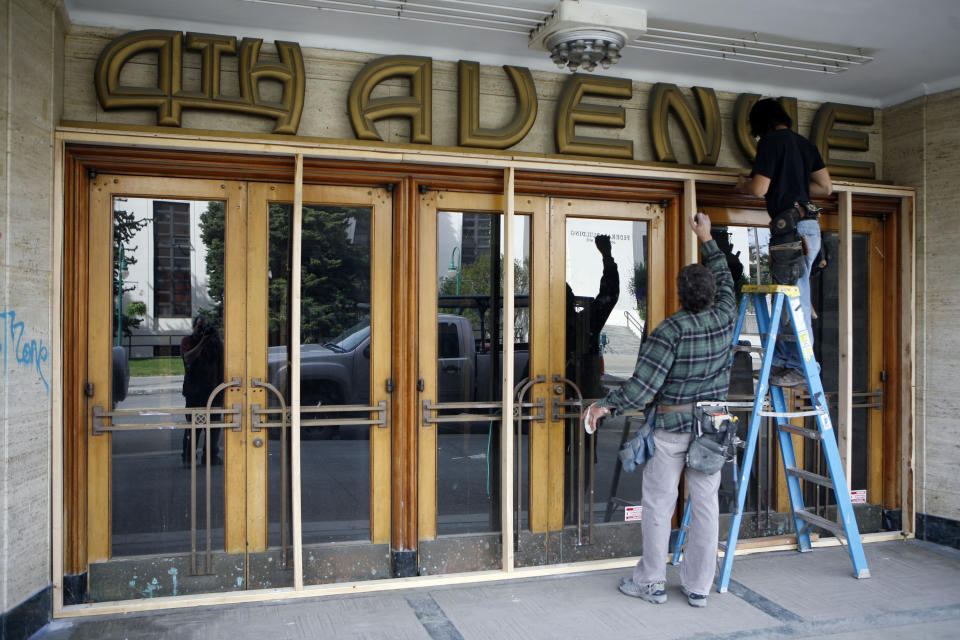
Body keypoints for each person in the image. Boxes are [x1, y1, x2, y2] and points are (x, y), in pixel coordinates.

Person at [582, 212, 736, 608]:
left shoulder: (669, 332)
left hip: (672, 428)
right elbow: (725, 277)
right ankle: (699, 587)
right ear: (713, 293)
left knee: (659, 504)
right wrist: (706, 239)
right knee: (706, 506)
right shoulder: (725, 317)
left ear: (679, 293)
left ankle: (651, 581)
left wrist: (603, 407)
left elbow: (640, 390)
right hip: (712, 428)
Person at [736, 98, 833, 387]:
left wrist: (742, 184)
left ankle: (803, 366)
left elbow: (758, 188)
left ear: (760, 124)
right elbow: (826, 187)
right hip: (807, 227)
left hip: (790, 232)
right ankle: (782, 361)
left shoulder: (770, 143)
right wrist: (797, 190)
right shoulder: (804, 144)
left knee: (795, 299)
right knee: (788, 297)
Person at [181, 315, 224, 466]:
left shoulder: (215, 343)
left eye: (206, 327)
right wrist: (202, 342)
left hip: (214, 390)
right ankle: (188, 457)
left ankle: (211, 456)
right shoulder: (188, 341)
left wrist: (217, 339)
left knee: (214, 427)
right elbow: (188, 358)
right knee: (194, 427)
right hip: (195, 391)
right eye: (200, 327)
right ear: (194, 328)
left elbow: (225, 360)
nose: (203, 331)